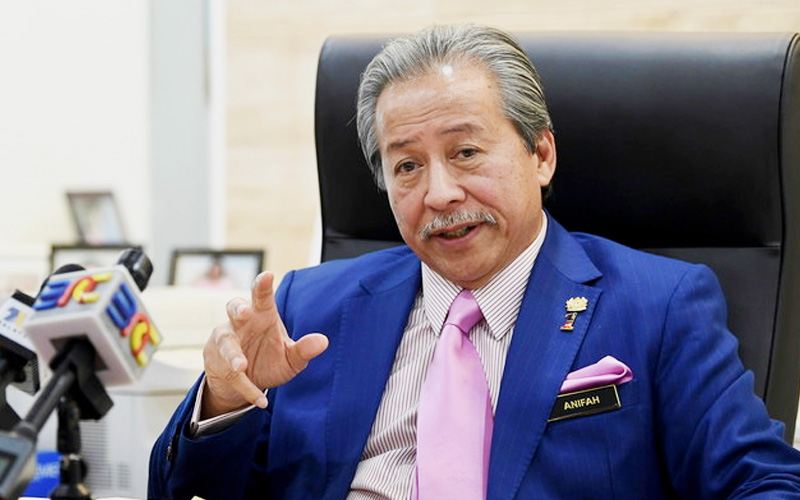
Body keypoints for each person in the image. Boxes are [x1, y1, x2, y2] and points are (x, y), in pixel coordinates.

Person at [149, 24, 800, 500]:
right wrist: (225, 399)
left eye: (465, 153)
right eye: (407, 166)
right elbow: (189, 491)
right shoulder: (306, 309)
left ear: (540, 155)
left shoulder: (658, 305)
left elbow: (762, 482)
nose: (439, 194)